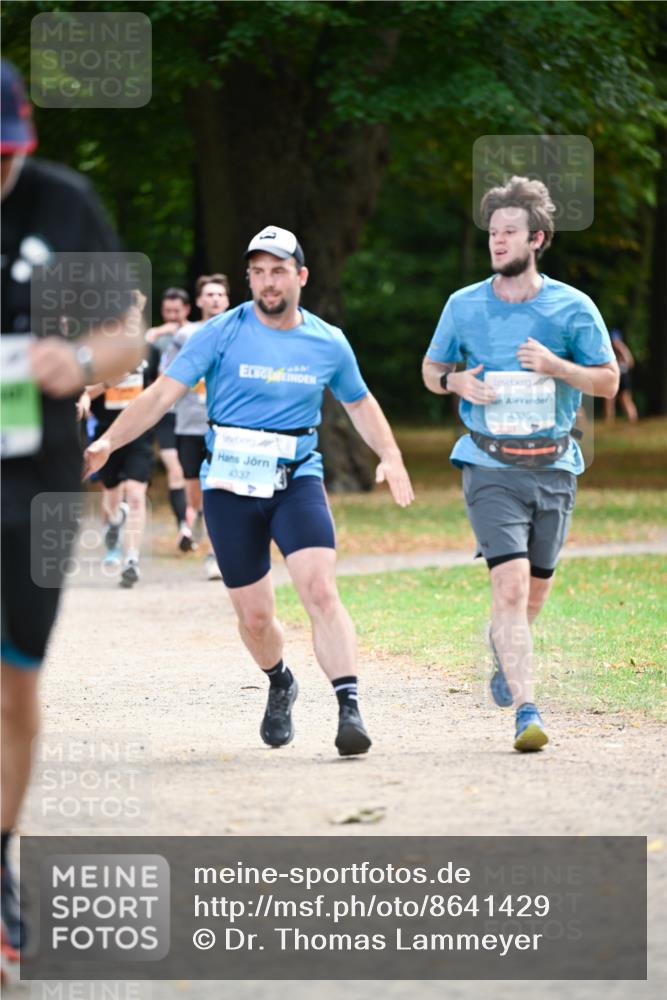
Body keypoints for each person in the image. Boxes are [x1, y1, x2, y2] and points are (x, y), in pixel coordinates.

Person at [84, 225, 414, 756]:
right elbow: (161, 396)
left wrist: (392, 455)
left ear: (301, 276)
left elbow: (360, 404)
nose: (267, 281)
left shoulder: (328, 341)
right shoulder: (218, 333)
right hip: (229, 487)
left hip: (296, 479)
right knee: (256, 619)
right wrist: (107, 443)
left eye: (278, 270)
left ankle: (349, 706)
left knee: (320, 590)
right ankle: (281, 680)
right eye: (257, 272)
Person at [0, 59, 144, 959]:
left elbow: (127, 332)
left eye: (3, 154)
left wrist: (79, 361)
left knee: (13, 685)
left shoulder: (62, 204)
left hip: (34, 490)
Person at [422, 176, 619, 752]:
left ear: (537, 238)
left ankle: (504, 647)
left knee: (532, 596)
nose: (497, 241)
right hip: (488, 465)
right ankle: (527, 712)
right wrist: (454, 380)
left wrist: (557, 366)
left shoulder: (571, 307)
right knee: (507, 589)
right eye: (492, 233)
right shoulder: (463, 305)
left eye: (509, 232)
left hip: (554, 467)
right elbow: (431, 373)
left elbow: (607, 382)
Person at [163, 273, 230, 580]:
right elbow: (167, 377)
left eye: (220, 294)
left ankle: (215, 554)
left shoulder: (237, 332)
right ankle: (195, 522)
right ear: (199, 301)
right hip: (189, 425)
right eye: (210, 294)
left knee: (216, 490)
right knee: (195, 495)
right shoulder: (185, 335)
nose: (215, 299)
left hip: (225, 427)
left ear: (227, 299)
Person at [84, 344, 160, 587]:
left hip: (140, 435)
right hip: (106, 434)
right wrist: (108, 382)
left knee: (137, 495)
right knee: (112, 494)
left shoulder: (151, 352)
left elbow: (160, 389)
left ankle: (131, 560)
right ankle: (115, 526)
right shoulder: (94, 352)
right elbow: (83, 393)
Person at [145, 289, 192, 550]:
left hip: (195, 414)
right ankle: (183, 528)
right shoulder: (156, 340)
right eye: (168, 312)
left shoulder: (199, 335)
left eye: (177, 311)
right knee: (174, 468)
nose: (172, 316)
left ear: (187, 309)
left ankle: (195, 521)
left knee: (193, 474)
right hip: (168, 415)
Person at [603, 328, 639, 423]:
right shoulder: (608, 349)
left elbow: (630, 363)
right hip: (613, 375)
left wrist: (622, 349)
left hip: (623, 376)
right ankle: (609, 421)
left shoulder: (623, 349)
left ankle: (633, 420)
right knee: (609, 399)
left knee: (625, 399)